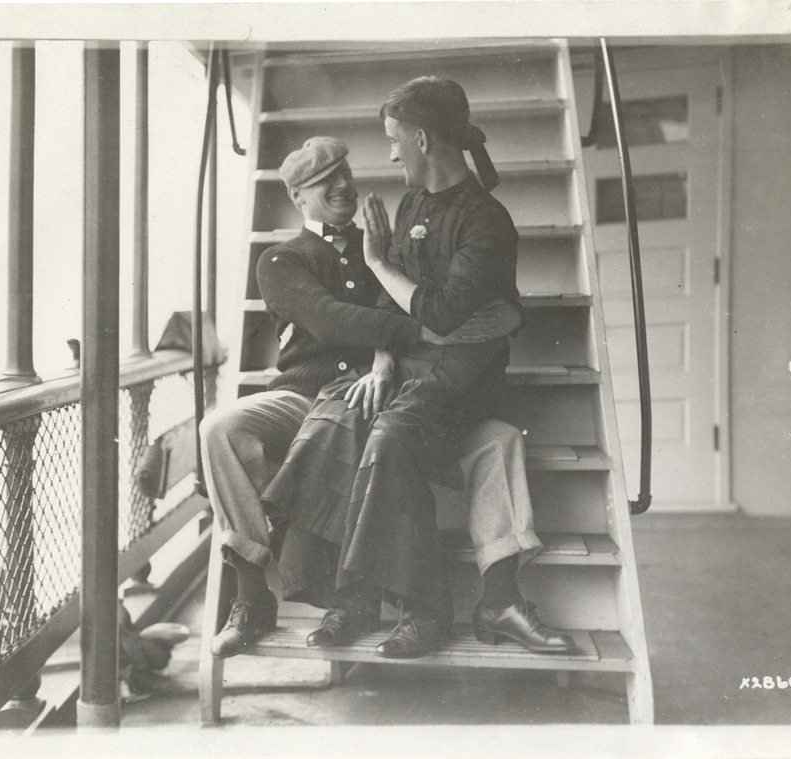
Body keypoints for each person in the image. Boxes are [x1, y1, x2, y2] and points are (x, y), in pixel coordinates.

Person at [263, 78, 575, 659]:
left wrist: (377, 260)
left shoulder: (485, 219)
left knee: (390, 437)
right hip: (411, 367)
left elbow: (441, 313)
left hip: (464, 376)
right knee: (337, 414)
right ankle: (347, 598)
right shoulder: (412, 205)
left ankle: (426, 611)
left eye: (394, 140)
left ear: (423, 140)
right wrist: (382, 361)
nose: (390, 154)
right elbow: (390, 304)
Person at [204, 135, 544, 659]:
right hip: (304, 397)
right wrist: (424, 331)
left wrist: (510, 316)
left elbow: (454, 291)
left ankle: (495, 597)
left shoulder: (386, 246)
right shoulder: (280, 259)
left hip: (394, 392)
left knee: (496, 439)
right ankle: (251, 595)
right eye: (323, 181)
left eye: (344, 173)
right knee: (221, 429)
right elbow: (330, 320)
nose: (341, 186)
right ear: (297, 196)